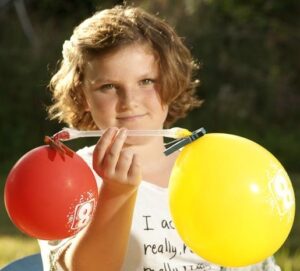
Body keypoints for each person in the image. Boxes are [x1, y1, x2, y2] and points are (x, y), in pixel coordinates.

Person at [39, 5, 281, 271]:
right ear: (82, 95)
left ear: (171, 81)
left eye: (146, 81)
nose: (129, 102)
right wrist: (117, 194)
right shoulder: (69, 179)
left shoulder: (216, 171)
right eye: (108, 87)